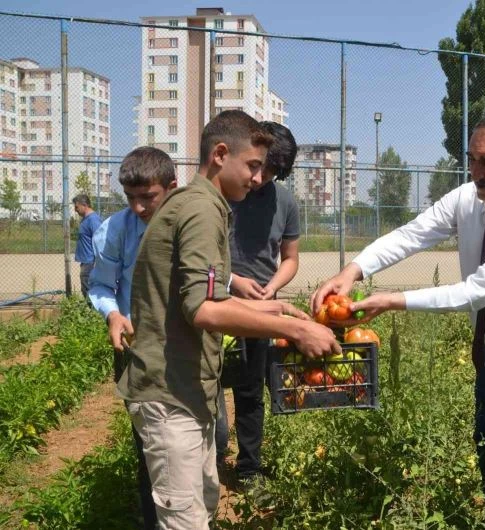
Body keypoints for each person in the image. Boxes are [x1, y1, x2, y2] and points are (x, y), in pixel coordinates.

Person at [312, 115, 485, 530]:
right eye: (471, 161)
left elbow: (476, 291)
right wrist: (353, 271)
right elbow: (412, 234)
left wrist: (394, 301)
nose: (476, 173)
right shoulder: (467, 199)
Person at [118, 110, 340, 529]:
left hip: (187, 392)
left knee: (200, 509)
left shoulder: (204, 205)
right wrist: (294, 328)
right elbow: (203, 310)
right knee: (185, 520)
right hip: (170, 396)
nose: (259, 179)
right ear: (221, 154)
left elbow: (207, 296)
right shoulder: (201, 210)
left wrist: (277, 307)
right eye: (253, 166)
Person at [88, 146, 177, 530]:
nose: (139, 207)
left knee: (207, 433)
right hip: (137, 348)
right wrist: (112, 314)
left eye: (149, 197)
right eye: (131, 198)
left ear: (171, 188)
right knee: (149, 446)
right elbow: (102, 284)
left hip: (184, 348)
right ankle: (154, 519)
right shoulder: (117, 229)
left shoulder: (189, 223)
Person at [215, 120, 301, 481]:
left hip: (263, 309)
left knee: (252, 391)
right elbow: (201, 261)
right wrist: (233, 281)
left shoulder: (284, 202)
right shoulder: (225, 191)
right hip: (217, 303)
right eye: (260, 165)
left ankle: (249, 467)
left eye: (274, 171)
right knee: (212, 385)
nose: (262, 177)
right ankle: (212, 459)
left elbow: (291, 258)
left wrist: (271, 287)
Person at [72, 193, 102, 298]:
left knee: (89, 289)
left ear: (84, 205)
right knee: (85, 288)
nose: (75, 210)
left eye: (76, 207)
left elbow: (100, 240)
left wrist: (97, 262)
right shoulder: (85, 219)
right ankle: (90, 311)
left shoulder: (93, 220)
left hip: (90, 261)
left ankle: (92, 312)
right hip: (86, 261)